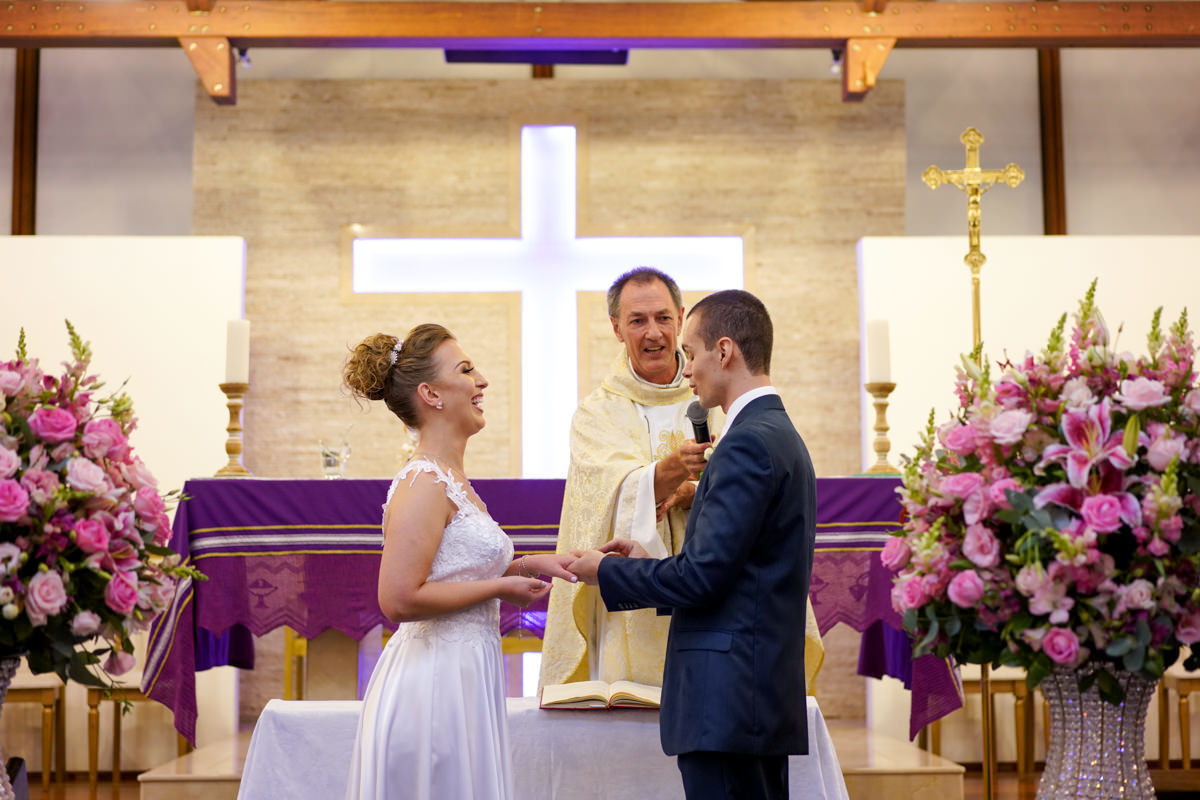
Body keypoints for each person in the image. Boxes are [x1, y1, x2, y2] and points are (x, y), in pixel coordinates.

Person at [569, 290, 817, 800]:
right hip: (749, 697)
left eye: (692, 350)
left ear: (723, 351)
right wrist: (650, 561)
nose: (687, 369)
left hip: (726, 702)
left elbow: (703, 579)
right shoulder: (775, 431)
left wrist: (607, 572)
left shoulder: (746, 441)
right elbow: (731, 570)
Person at [341, 324, 577, 800]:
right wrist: (498, 589)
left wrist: (532, 564)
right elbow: (399, 598)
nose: (482, 381)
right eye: (467, 370)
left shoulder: (452, 479)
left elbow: (455, 574)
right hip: (432, 686)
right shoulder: (424, 482)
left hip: (464, 676)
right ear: (431, 394)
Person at [539, 267, 722, 689]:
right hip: (630, 602)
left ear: (680, 317)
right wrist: (675, 468)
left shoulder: (717, 392)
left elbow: (751, 487)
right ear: (617, 329)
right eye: (637, 321)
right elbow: (606, 495)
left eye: (662, 318)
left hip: (709, 577)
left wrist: (689, 491)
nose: (653, 332)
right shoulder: (596, 413)